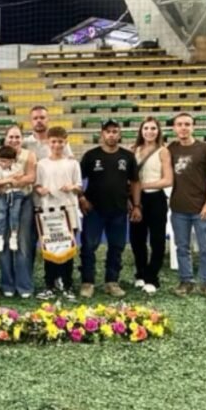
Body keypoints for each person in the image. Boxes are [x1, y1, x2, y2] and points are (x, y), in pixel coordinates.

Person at [78, 119, 141, 299]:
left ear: (120, 134)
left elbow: (136, 182)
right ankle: (87, 282)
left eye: (115, 131)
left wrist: (136, 205)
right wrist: (81, 198)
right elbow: (77, 180)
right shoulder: (90, 156)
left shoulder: (127, 157)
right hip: (94, 210)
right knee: (89, 246)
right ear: (102, 134)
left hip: (119, 210)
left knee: (117, 246)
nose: (111, 134)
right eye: (108, 131)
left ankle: (112, 281)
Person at [168, 113, 206, 299]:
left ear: (193, 127)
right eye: (179, 124)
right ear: (174, 128)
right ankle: (186, 281)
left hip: (201, 208)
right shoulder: (171, 149)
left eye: (187, 124)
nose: (183, 127)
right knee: (182, 247)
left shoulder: (205, 148)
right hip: (178, 208)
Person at [34, 126, 82, 302]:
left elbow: (79, 186)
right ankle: (49, 285)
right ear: (48, 142)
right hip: (48, 214)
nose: (57, 145)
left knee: (68, 250)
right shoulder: (41, 164)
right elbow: (36, 186)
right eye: (53, 141)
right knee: (50, 251)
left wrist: (72, 187)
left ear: (65, 142)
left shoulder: (73, 163)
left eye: (60, 142)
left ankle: (68, 285)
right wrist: (40, 190)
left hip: (68, 212)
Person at [129, 117, 173, 295]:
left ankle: (152, 277)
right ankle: (140, 273)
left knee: (157, 240)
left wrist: (144, 185)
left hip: (155, 199)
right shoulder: (134, 150)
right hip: (136, 200)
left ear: (158, 131)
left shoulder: (163, 151)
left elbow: (168, 179)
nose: (149, 131)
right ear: (141, 131)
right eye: (146, 128)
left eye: (153, 128)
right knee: (137, 239)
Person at [0, 125, 37, 298]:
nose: (14, 140)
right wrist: (12, 180)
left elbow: (31, 178)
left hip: (23, 200)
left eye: (17, 137)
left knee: (22, 243)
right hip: (3, 201)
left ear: (22, 138)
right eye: (11, 137)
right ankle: (7, 284)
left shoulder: (29, 155)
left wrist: (9, 182)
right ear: (5, 139)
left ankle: (24, 285)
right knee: (3, 242)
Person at [0, 146, 27, 252]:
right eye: (0, 161)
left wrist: (7, 180)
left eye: (4, 161)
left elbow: (21, 176)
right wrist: (10, 180)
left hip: (16, 194)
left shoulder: (18, 167)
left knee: (14, 215)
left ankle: (13, 237)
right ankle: (0, 238)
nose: (2, 164)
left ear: (12, 160)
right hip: (3, 195)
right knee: (0, 216)